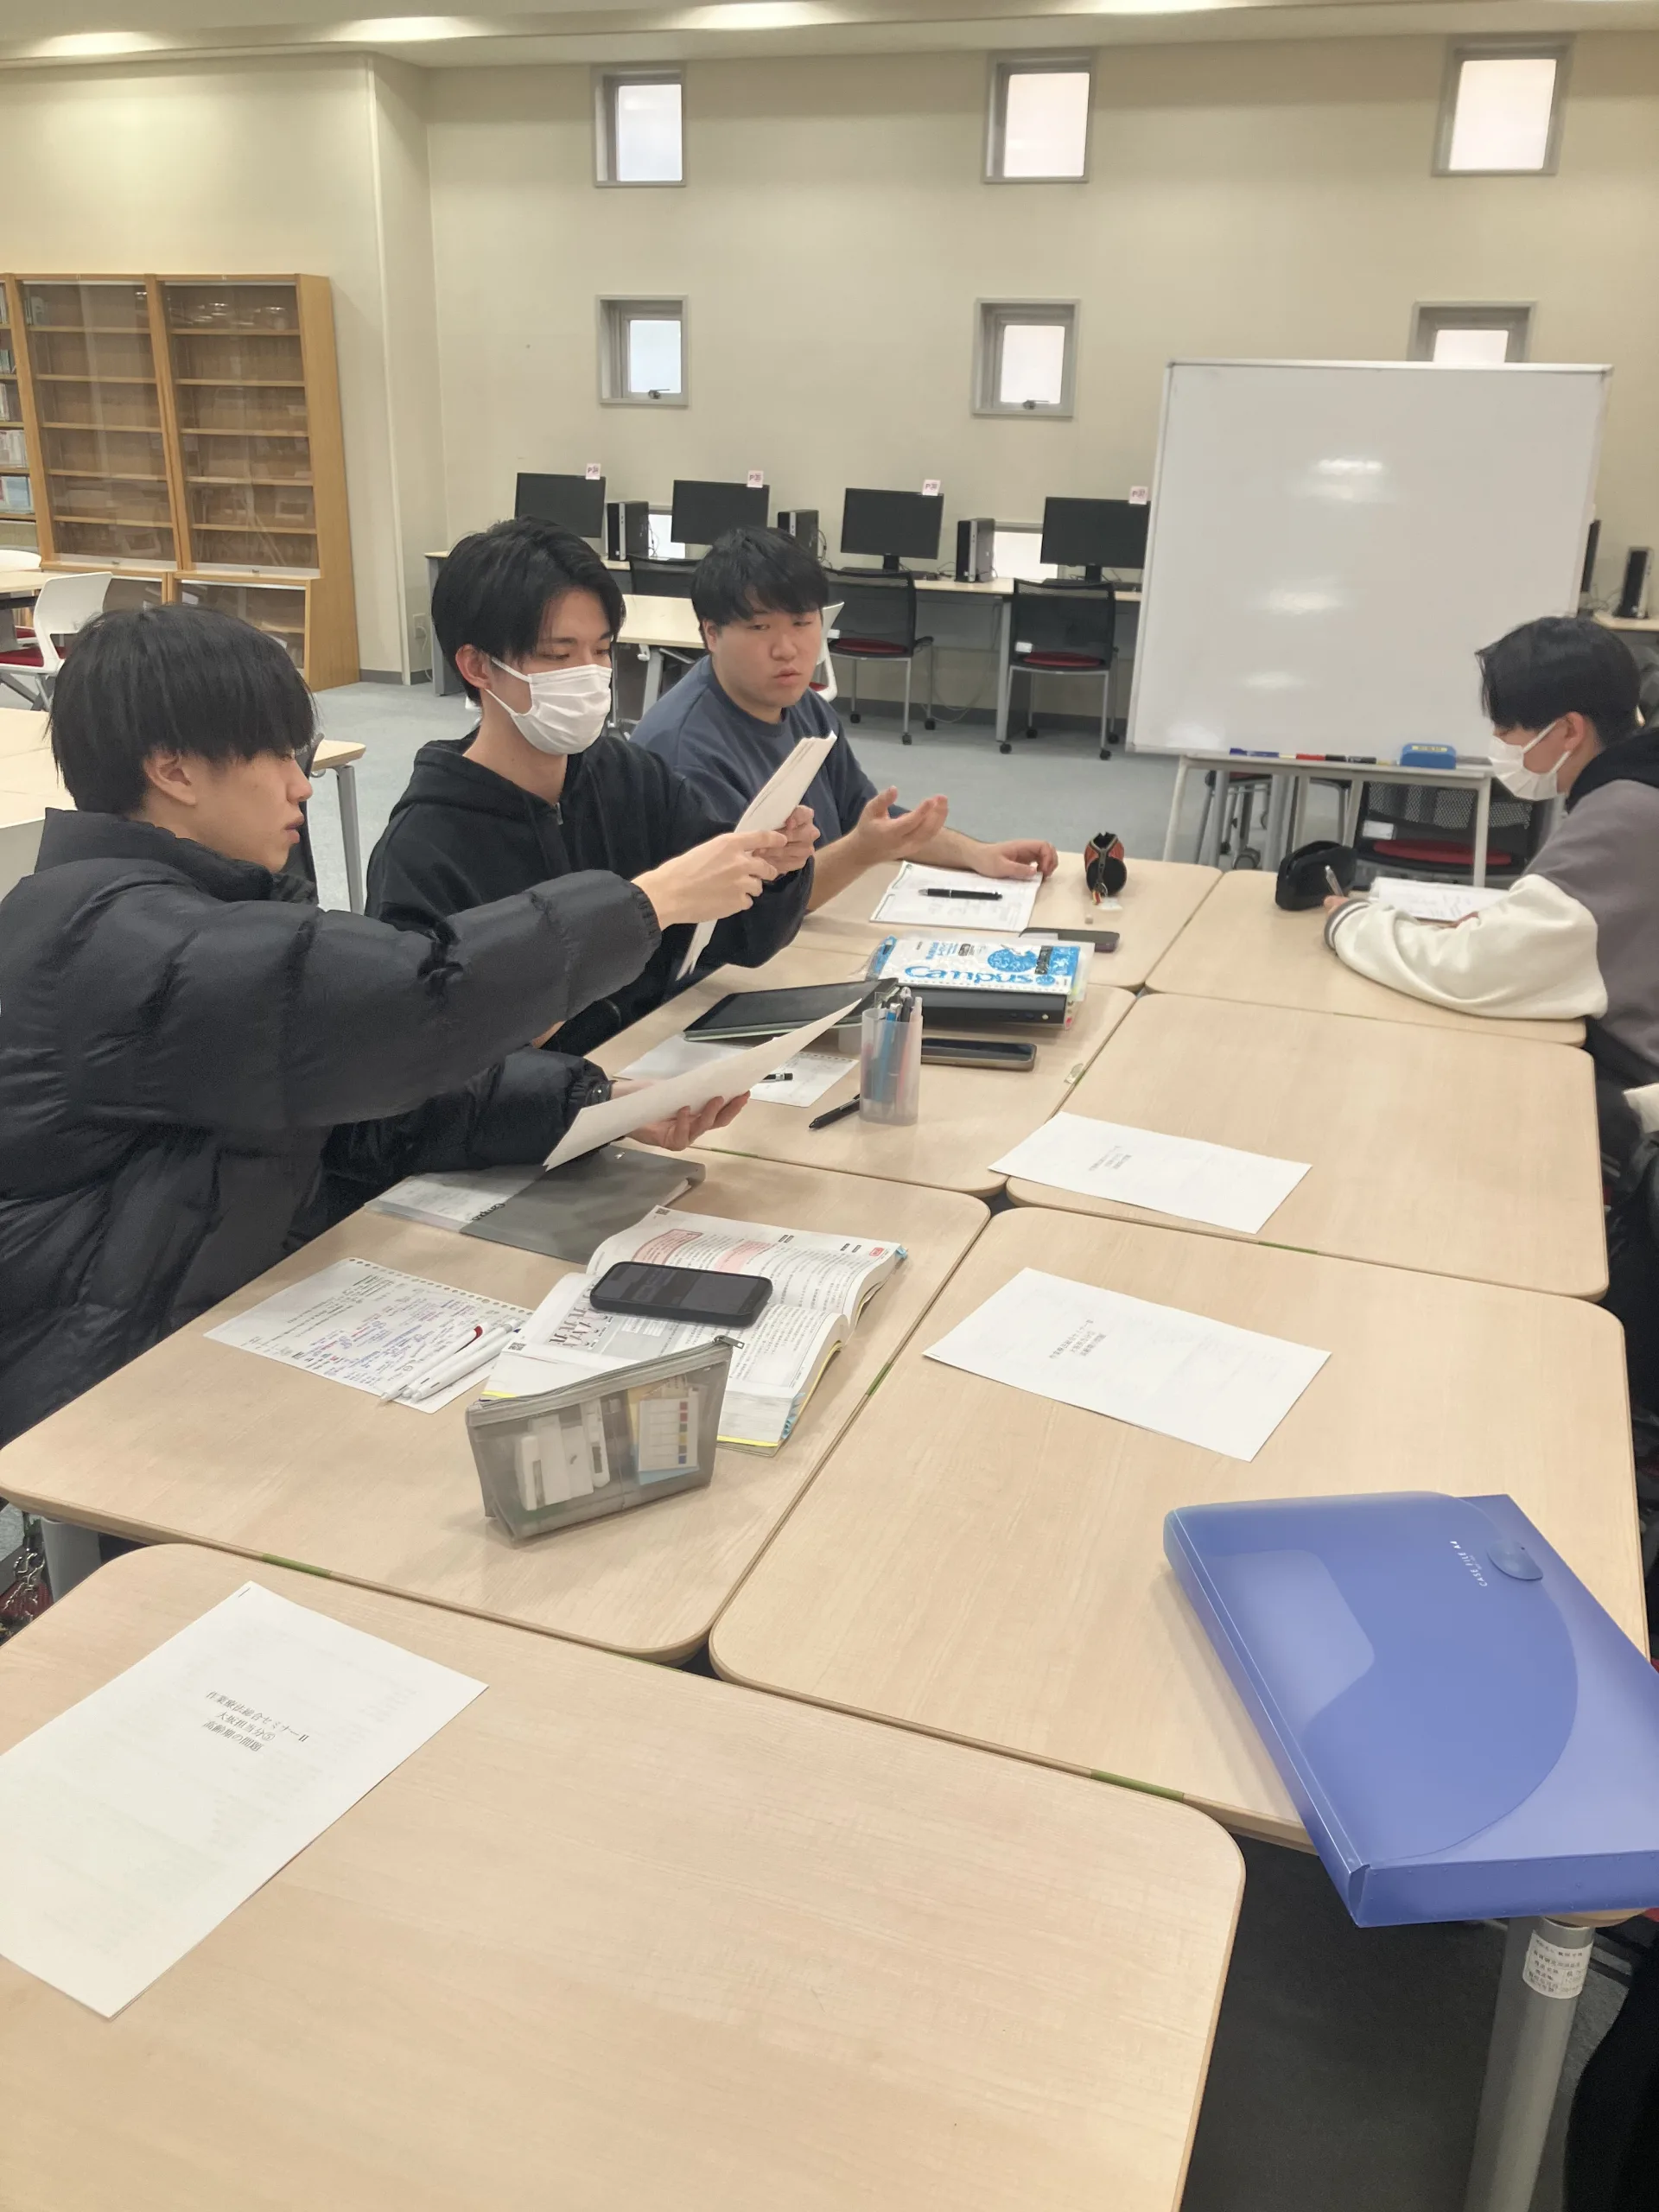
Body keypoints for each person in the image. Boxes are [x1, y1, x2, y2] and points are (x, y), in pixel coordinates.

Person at [0, 605, 747, 1448]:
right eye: (274, 754)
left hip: (204, 1312)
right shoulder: (127, 943)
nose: (302, 785)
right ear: (173, 769)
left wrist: (593, 1101)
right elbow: (415, 1004)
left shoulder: (181, 915)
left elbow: (360, 1107)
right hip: (99, 1387)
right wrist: (650, 902)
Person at [367, 519, 817, 1052]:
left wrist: (774, 870)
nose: (588, 676)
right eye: (558, 656)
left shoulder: (631, 777)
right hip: (562, 1098)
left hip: (660, 1059)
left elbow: (738, 939)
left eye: (601, 651)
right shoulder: (423, 851)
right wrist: (646, 906)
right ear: (478, 666)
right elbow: (439, 1054)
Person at [1325, 616, 1659, 1145]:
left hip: (1633, 1092)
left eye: (1506, 730)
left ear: (1569, 730)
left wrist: (1349, 921)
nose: (1498, 744)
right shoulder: (1637, 785)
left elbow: (1469, 971)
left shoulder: (1622, 817)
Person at [630, 527, 1058, 909]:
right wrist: (860, 851)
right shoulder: (686, 752)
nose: (787, 649)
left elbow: (861, 815)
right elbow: (747, 915)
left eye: (802, 622)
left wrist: (978, 854)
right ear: (712, 634)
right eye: (760, 628)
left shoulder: (805, 706)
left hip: (819, 919)